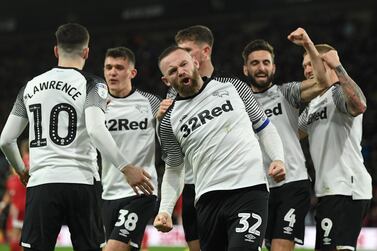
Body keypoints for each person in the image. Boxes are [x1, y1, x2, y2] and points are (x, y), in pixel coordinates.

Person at [0, 23, 153, 251]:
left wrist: (22, 170)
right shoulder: (93, 84)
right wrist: (126, 167)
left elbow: (5, 140)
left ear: (56, 50)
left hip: (42, 182)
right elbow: (95, 129)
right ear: (86, 52)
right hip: (81, 182)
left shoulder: (29, 88)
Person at [153, 46, 286, 251]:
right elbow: (173, 168)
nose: (180, 71)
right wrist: (165, 209)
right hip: (207, 199)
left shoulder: (233, 87)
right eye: (172, 71)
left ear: (195, 64)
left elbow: (264, 127)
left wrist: (278, 158)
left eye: (184, 64)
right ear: (166, 81)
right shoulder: (168, 120)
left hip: (248, 189)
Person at [241, 28, 330, 251]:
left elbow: (322, 81)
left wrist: (308, 44)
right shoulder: (238, 105)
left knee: (281, 247)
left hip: (293, 183)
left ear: (274, 67)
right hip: (258, 186)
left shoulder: (286, 93)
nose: (261, 68)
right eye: (254, 63)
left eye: (266, 62)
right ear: (245, 69)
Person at [298, 44, 372, 251]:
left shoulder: (338, 92)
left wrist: (338, 67)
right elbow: (293, 134)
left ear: (326, 63)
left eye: (310, 63)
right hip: (328, 190)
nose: (306, 70)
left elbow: (359, 106)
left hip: (347, 187)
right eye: (304, 66)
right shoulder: (314, 104)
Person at [157, 25, 218, 251]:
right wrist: (160, 121)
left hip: (231, 183)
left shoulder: (228, 87)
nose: (180, 58)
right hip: (193, 185)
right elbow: (170, 151)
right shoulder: (174, 93)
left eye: (187, 51)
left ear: (205, 52)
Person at [101, 46, 160, 251]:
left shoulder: (151, 103)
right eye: (108, 67)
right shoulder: (95, 106)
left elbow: (170, 141)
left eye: (119, 67)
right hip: (107, 193)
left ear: (132, 72)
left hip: (141, 191)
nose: (112, 72)